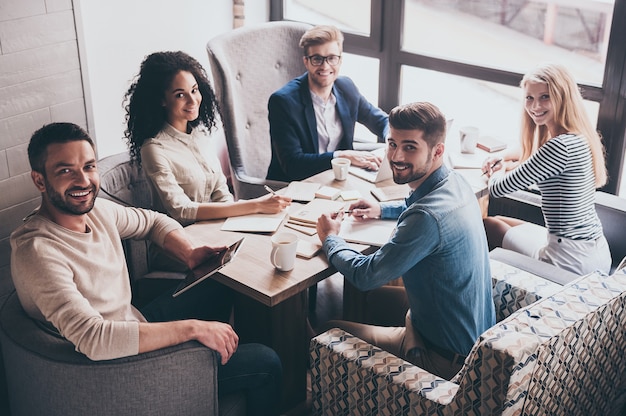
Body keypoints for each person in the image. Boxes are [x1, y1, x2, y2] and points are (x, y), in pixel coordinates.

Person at [10, 122, 282, 415]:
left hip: (133, 325)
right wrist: (192, 330)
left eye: (89, 167)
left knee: (220, 280)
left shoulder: (97, 211)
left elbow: (153, 222)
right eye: (65, 171)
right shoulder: (38, 251)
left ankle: (201, 375)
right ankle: (193, 367)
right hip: (117, 366)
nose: (83, 180)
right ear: (40, 181)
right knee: (266, 363)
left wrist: (188, 252)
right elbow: (94, 339)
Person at [316, 102, 495, 380]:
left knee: (326, 328)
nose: (396, 156)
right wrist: (381, 209)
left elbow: (365, 275)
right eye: (391, 143)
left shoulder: (424, 217)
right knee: (374, 299)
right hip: (472, 341)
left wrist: (331, 238)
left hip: (443, 360)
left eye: (410, 147)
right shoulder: (457, 183)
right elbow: (422, 209)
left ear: (437, 151)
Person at [123, 51, 291, 226]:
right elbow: (181, 210)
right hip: (178, 242)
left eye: (194, 90)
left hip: (213, 229)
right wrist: (255, 206)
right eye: (180, 95)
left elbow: (221, 192)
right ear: (162, 100)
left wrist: (231, 226)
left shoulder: (201, 137)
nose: (193, 100)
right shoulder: (154, 148)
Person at [482, 63, 611, 276]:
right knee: (497, 222)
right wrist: (502, 156)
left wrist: (498, 169)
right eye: (529, 98)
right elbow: (530, 152)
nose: (535, 106)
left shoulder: (559, 147)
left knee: (488, 227)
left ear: (562, 98)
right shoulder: (579, 137)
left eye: (544, 97)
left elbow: (497, 188)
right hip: (595, 250)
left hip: (569, 259)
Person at [266, 25, 389, 182]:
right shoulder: (283, 102)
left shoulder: (347, 87)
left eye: (331, 58)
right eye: (317, 59)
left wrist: (391, 139)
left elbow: (380, 120)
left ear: (340, 60)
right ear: (306, 62)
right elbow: (293, 165)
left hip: (338, 181)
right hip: (296, 188)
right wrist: (342, 156)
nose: (325, 66)